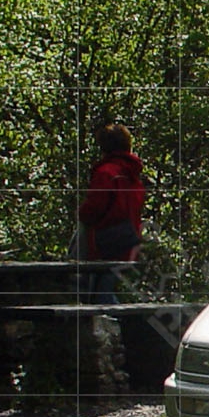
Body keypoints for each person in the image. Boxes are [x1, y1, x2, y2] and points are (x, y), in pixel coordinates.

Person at [78, 122, 145, 303]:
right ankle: (117, 326)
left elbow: (94, 207)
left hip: (105, 242)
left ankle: (123, 328)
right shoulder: (132, 173)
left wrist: (82, 214)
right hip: (129, 239)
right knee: (104, 288)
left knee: (98, 293)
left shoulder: (106, 172)